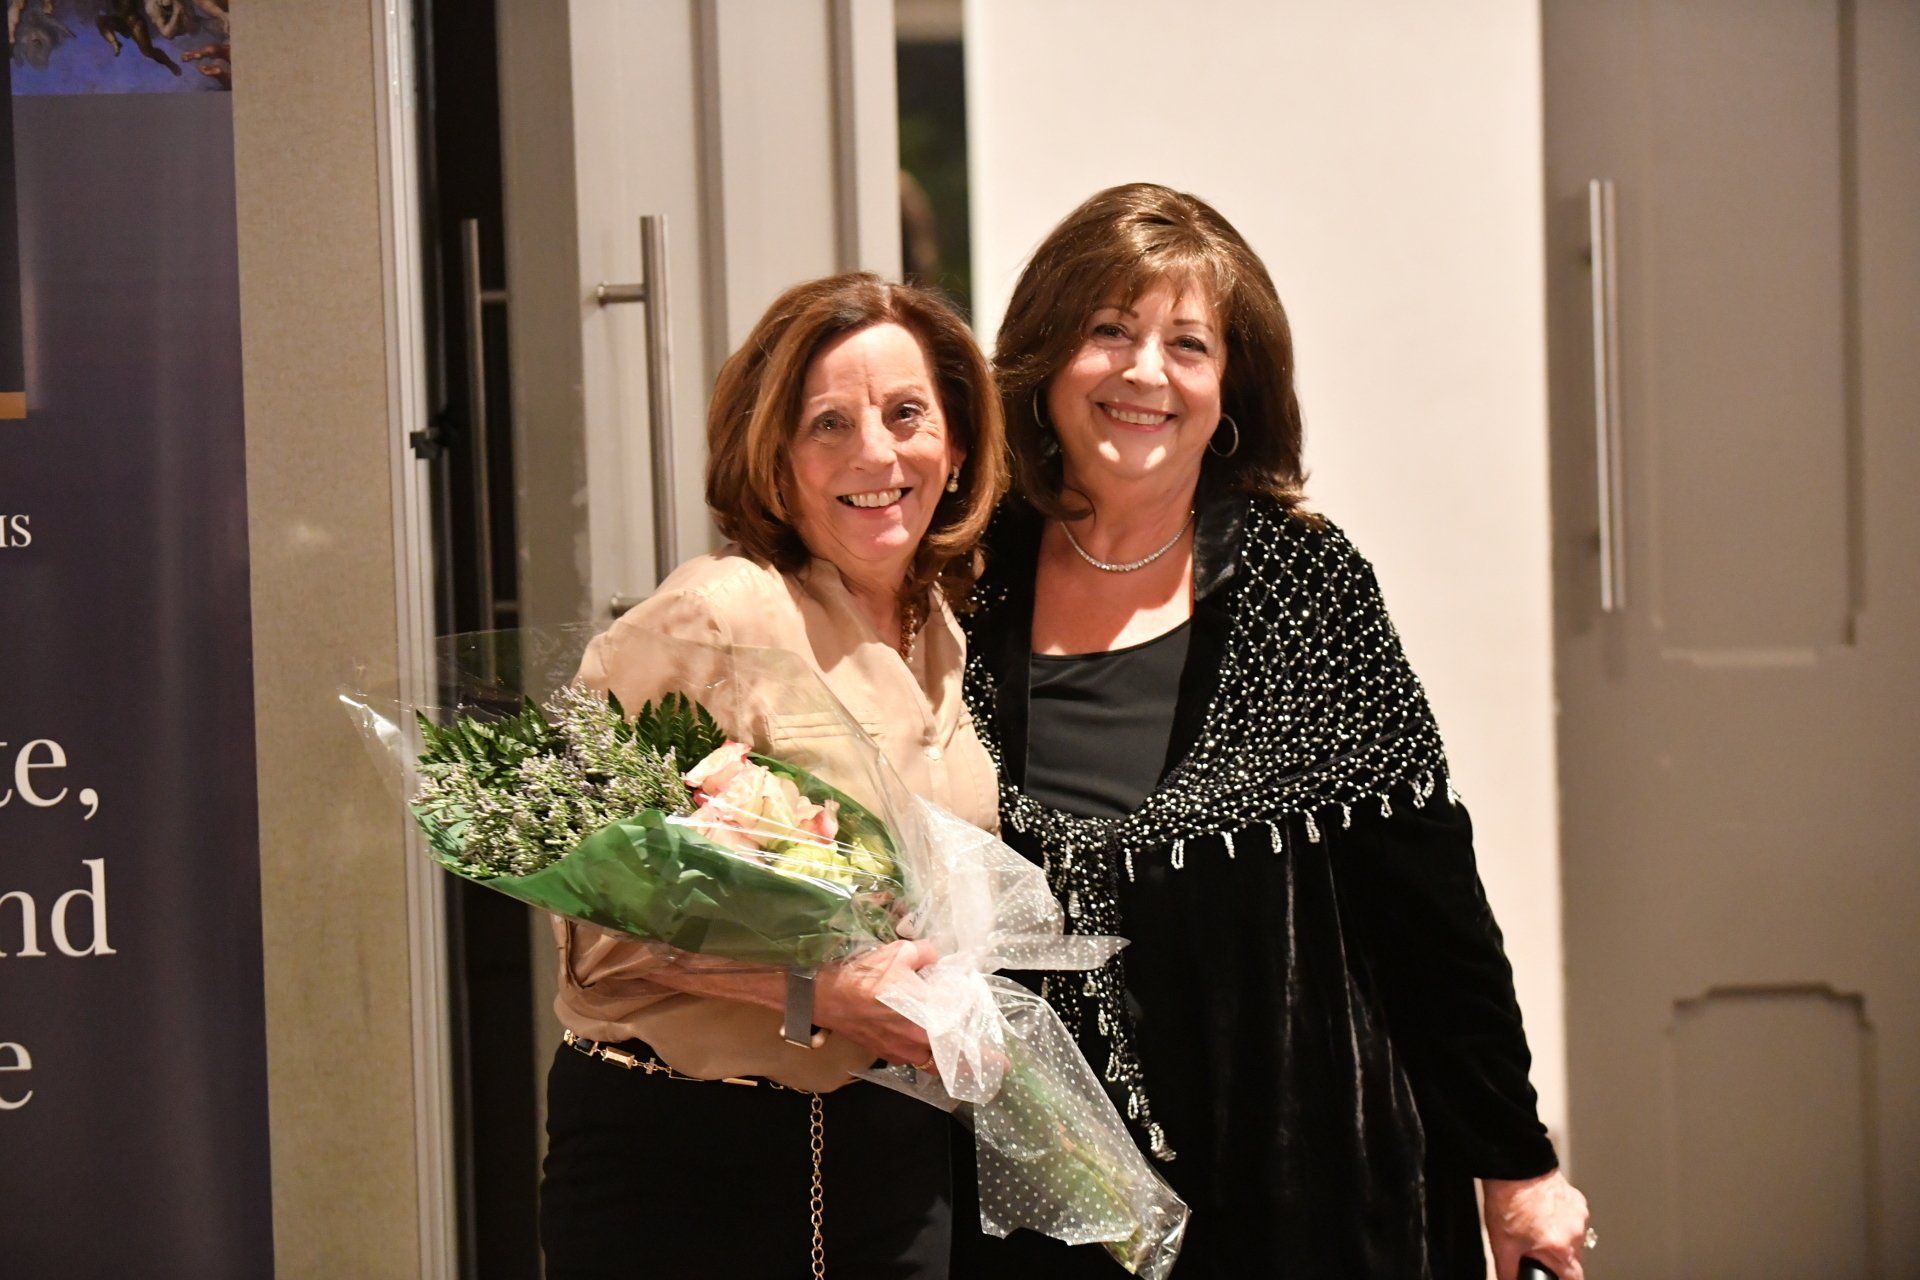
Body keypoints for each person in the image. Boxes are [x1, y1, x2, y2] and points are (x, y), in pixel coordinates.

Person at [949, 184, 1592, 1279]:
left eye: (1187, 344)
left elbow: (1428, 902)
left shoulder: (1305, 582)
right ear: (1045, 360)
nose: (1145, 372)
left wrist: (1517, 1164)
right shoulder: (968, 577)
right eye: (1109, 330)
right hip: (1045, 1191)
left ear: (1230, 388)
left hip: (1302, 1180)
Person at [540, 272, 1008, 1279]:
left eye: (906, 414)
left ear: (958, 444)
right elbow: (593, 929)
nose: (876, 453)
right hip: (688, 1163)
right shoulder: (716, 614)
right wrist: (816, 993)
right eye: (828, 424)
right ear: (775, 461)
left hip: (888, 1156)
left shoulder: (942, 625)